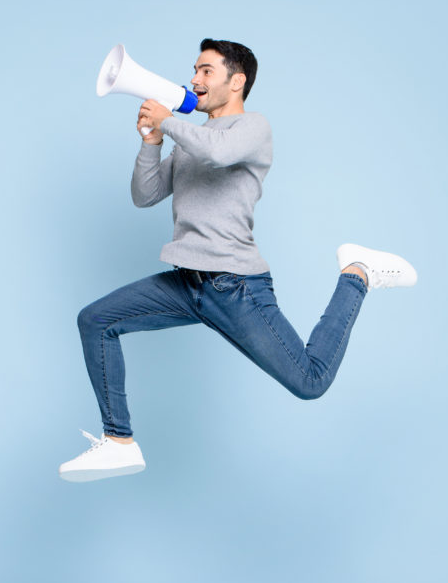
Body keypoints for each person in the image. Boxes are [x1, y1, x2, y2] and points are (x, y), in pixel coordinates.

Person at [58, 39, 417, 483]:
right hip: (187, 285)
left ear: (238, 81)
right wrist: (151, 142)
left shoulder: (253, 128)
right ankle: (119, 442)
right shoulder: (189, 140)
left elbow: (218, 152)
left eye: (206, 71)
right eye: (194, 70)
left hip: (236, 287)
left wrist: (168, 121)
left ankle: (357, 273)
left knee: (310, 382)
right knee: (95, 320)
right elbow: (144, 195)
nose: (194, 79)